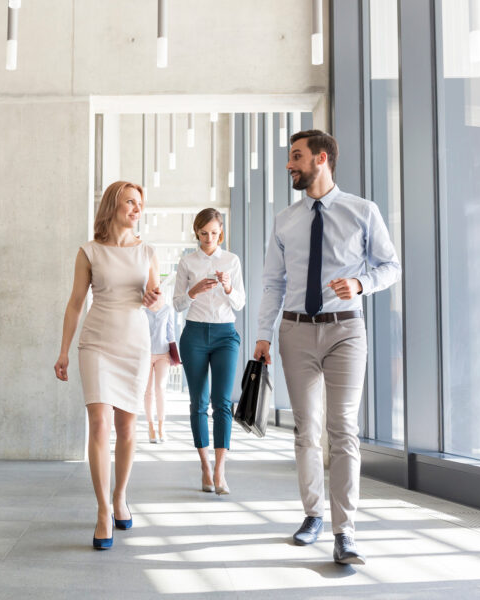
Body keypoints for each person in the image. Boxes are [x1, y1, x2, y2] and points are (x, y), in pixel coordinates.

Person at [254, 130, 401, 565]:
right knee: (306, 429)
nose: (289, 165)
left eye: (296, 157)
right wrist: (263, 334)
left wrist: (360, 283)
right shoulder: (285, 220)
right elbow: (273, 283)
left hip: (345, 331)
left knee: (343, 429)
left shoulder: (362, 211)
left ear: (321, 159)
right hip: (295, 332)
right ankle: (313, 514)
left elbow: (391, 265)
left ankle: (345, 530)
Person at [54, 180, 160, 550]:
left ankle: (120, 497)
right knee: (99, 424)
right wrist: (64, 350)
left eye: (140, 203)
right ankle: (102, 511)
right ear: (112, 205)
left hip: (134, 345)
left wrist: (152, 298)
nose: (136, 208)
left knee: (126, 427)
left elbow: (156, 302)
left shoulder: (147, 251)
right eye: (130, 201)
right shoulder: (89, 252)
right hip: (96, 343)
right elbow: (75, 303)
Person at [173, 208, 245, 495]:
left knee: (222, 402)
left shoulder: (231, 260)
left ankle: (220, 470)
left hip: (225, 334)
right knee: (198, 402)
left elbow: (240, 303)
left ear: (221, 232)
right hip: (194, 335)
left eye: (214, 233)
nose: (208, 238)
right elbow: (177, 304)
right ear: (196, 233)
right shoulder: (187, 262)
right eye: (203, 233)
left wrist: (228, 287)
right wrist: (194, 290)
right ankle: (204, 465)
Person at [143, 296, 176, 443]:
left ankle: (162, 426)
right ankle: (151, 427)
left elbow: (171, 332)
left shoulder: (167, 309)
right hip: (145, 354)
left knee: (160, 389)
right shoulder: (142, 309)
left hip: (163, 354)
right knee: (148, 391)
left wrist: (174, 354)